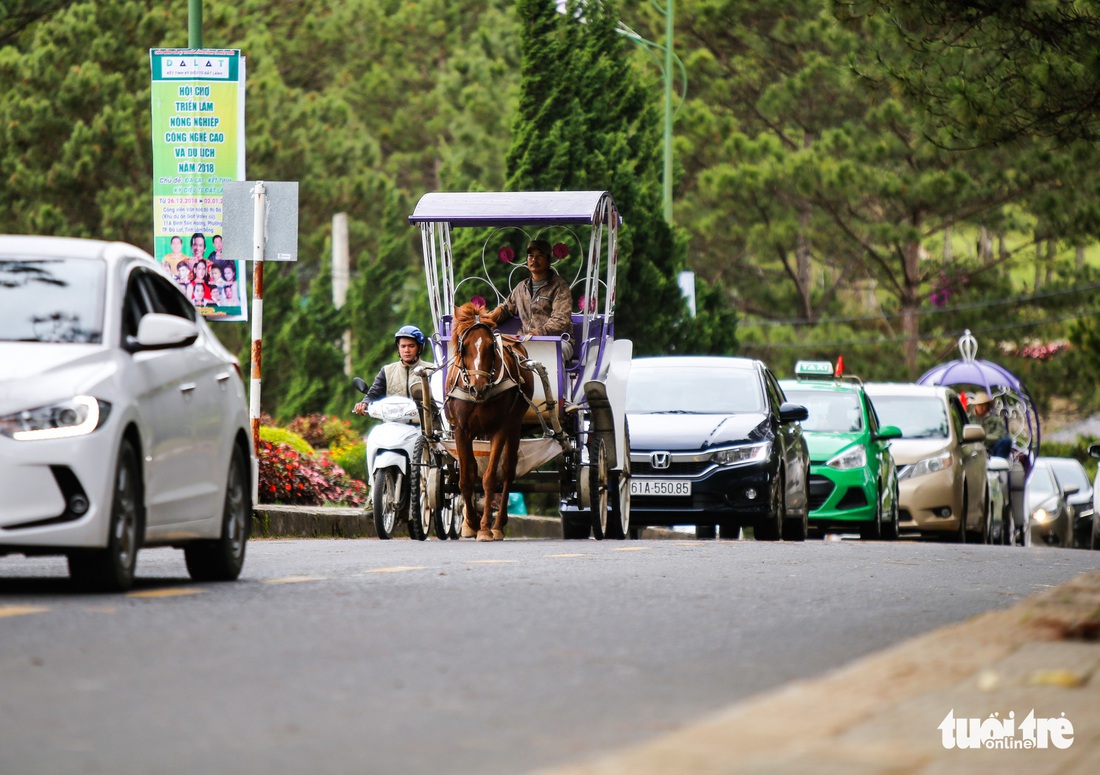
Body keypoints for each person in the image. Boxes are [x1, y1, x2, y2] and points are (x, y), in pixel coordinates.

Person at [489, 238, 575, 360]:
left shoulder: (560, 287)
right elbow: (506, 309)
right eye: (531, 256)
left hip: (557, 341)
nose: (534, 260)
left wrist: (537, 333)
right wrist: (487, 320)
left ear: (548, 260)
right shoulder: (521, 288)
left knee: (552, 357)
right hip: (526, 341)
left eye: (539, 256)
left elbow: (561, 320)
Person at [353, 326, 431, 415]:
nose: (406, 350)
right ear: (398, 347)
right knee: (376, 429)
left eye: (411, 346)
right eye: (403, 346)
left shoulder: (431, 370)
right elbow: (374, 393)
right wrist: (364, 403)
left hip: (424, 426)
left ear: (419, 347)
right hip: (393, 424)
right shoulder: (387, 371)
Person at [968, 390, 1013, 458]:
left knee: (1006, 441)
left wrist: (985, 439)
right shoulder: (970, 419)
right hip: (974, 447)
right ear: (975, 406)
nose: (981, 407)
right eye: (979, 405)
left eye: (984, 405)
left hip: (992, 446)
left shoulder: (995, 419)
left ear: (988, 406)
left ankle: (997, 465)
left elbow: (1000, 433)